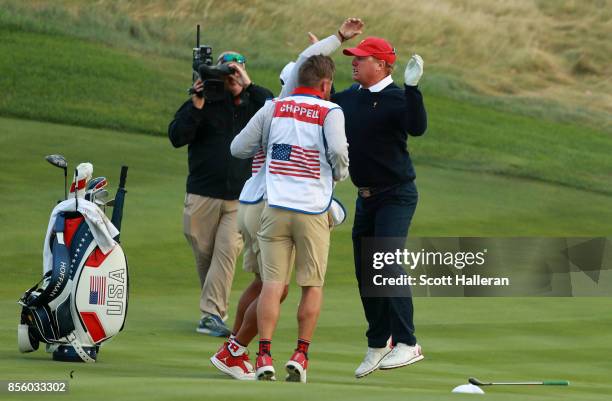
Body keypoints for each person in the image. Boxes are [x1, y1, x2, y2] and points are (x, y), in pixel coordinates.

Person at [210, 19, 362, 381]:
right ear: (324, 85)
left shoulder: (273, 107)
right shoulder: (326, 111)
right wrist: (336, 174)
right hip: (295, 205)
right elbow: (339, 154)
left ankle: (252, 353)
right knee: (302, 285)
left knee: (266, 284)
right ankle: (284, 353)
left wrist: (336, 39)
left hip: (261, 203)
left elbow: (238, 148)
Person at [332, 37, 428, 377]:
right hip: (366, 197)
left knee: (386, 262)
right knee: (366, 273)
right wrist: (312, 55)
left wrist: (413, 88)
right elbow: (315, 97)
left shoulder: (397, 98)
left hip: (396, 194)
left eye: (362, 58)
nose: (354, 63)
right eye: (354, 58)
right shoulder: (350, 98)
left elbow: (417, 127)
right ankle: (378, 342)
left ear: (383, 65)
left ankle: (407, 342)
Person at [168, 51, 274, 336]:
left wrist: (248, 84)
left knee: (225, 252)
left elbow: (276, 108)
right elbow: (177, 136)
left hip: (240, 197)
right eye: (227, 75)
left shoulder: (257, 104)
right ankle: (212, 308)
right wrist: (196, 106)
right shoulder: (204, 102)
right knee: (205, 253)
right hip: (202, 193)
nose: (233, 79)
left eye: (237, 73)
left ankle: (212, 315)